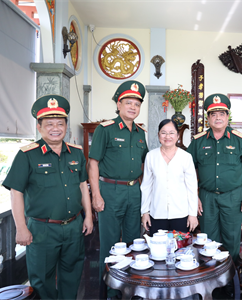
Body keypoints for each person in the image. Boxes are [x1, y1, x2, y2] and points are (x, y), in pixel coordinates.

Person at [2, 95, 93, 300]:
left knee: (72, 275)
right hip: (42, 229)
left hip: (73, 227)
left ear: (66, 126)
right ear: (39, 127)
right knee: (42, 280)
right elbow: (15, 192)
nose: (55, 128)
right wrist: (21, 228)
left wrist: (87, 216)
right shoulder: (27, 155)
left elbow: (82, 185)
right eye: (49, 124)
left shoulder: (76, 153)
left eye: (60, 124)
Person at [87, 80, 148, 300]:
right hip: (110, 191)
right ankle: (110, 291)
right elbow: (93, 163)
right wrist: (96, 195)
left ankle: (129, 288)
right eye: (128, 102)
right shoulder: (106, 129)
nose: (133, 107)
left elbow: (145, 165)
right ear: (118, 104)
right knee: (111, 243)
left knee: (134, 242)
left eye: (137, 104)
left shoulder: (140, 133)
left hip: (134, 192)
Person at [187, 93, 242, 262]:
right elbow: (187, 169)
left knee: (231, 237)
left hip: (233, 196)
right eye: (213, 114)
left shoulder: (239, 140)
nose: (218, 118)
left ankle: (231, 279)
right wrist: (193, 196)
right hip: (206, 197)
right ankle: (212, 278)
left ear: (227, 116)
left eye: (222, 114)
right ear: (208, 118)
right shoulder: (198, 141)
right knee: (208, 239)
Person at [141, 119, 198, 234]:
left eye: (171, 133)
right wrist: (145, 212)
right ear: (158, 135)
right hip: (157, 214)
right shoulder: (151, 156)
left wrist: (193, 214)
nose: (167, 136)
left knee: (180, 250)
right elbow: (146, 186)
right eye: (163, 133)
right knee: (157, 249)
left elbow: (191, 187)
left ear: (177, 136)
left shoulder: (186, 157)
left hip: (181, 214)